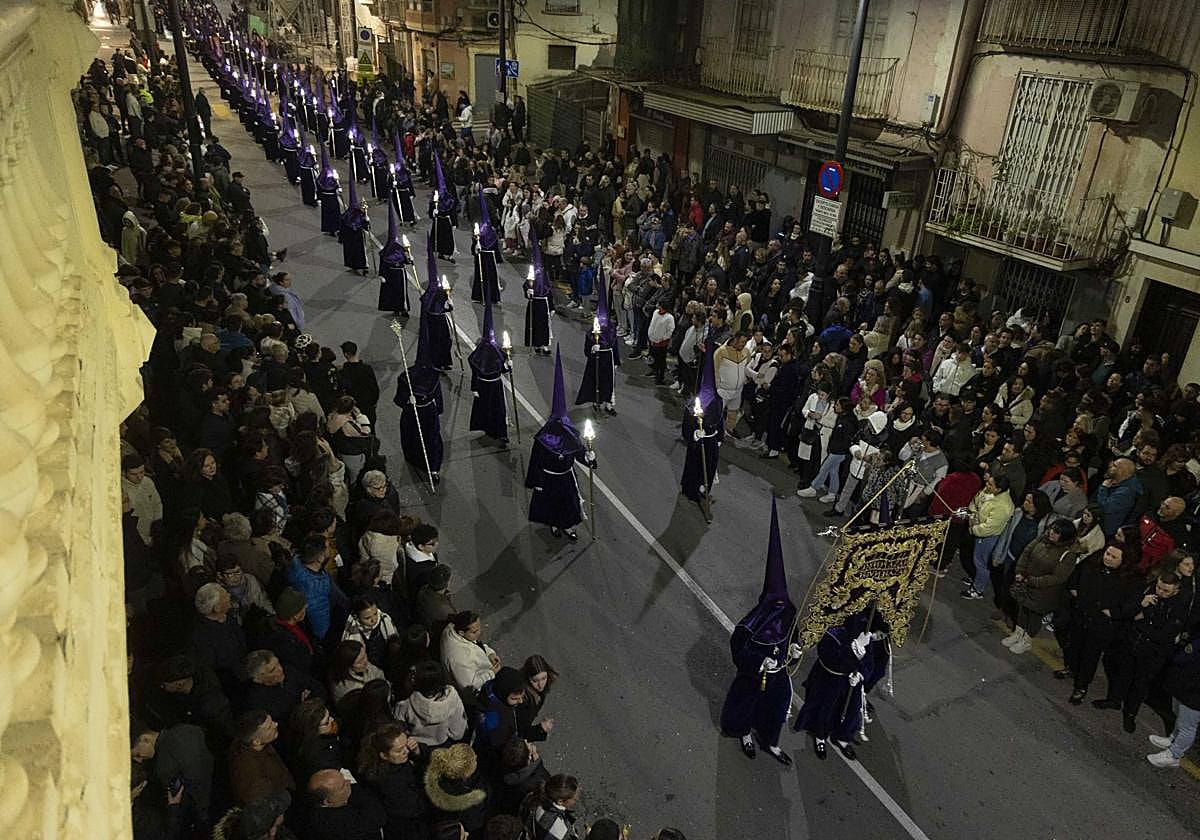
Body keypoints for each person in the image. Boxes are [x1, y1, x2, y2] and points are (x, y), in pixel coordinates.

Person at [719, 500, 800, 766]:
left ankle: (770, 742)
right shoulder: (750, 625)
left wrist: (795, 650)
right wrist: (759, 662)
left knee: (774, 712)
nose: (781, 610)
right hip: (754, 678)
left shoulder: (789, 613)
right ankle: (744, 734)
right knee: (746, 706)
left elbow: (793, 639)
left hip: (778, 678)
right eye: (776, 605)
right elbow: (738, 650)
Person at [1094, 571, 1187, 733]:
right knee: (1123, 674)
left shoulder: (1179, 606)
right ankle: (1114, 700)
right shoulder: (1147, 592)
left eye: (1166, 591)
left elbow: (1164, 635)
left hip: (1153, 653)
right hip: (1132, 644)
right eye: (1159, 588)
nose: (1161, 592)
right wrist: (1141, 606)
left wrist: (1141, 623)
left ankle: (1130, 714)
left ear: (1175, 591)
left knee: (1140, 685)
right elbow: (1130, 612)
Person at [527, 348, 596, 541]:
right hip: (549, 479)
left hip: (566, 477)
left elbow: (579, 452)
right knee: (551, 505)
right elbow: (535, 462)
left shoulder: (570, 435)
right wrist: (536, 483)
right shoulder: (543, 439)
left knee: (569, 504)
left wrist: (590, 458)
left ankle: (568, 526)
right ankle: (555, 525)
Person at [1061, 542, 1137, 705]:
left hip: (1101, 626)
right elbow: (1076, 574)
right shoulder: (1092, 564)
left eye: (1113, 557)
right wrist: (1074, 590)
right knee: (1073, 647)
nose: (1108, 558)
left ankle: (1081, 687)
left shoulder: (1129, 580)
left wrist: (1113, 613)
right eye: (1107, 554)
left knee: (1090, 656)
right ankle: (1071, 669)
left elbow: (1132, 605)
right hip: (1081, 616)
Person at [792, 610, 874, 760]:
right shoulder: (832, 630)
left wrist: (861, 674)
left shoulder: (863, 629)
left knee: (852, 708)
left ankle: (842, 737)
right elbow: (833, 659)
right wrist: (855, 650)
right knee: (824, 709)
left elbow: (869, 660)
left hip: (849, 681)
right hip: (828, 678)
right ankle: (820, 736)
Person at [356, 723, 432, 839]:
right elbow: (413, 808)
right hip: (407, 829)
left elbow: (427, 755)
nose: (406, 751)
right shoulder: (387, 782)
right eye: (399, 750)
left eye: (406, 745)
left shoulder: (398, 760)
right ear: (384, 756)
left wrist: (417, 750)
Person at [680, 344, 722, 513]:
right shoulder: (698, 399)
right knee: (693, 464)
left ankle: (703, 488)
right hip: (699, 440)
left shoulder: (717, 400)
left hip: (710, 439)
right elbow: (689, 418)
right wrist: (694, 431)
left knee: (709, 466)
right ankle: (690, 489)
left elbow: (719, 421)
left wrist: (718, 437)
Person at [467, 281, 510, 445]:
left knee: (499, 410)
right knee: (486, 410)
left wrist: (508, 366)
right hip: (484, 386)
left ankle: (501, 434)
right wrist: (474, 388)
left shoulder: (498, 351)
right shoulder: (478, 356)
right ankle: (487, 429)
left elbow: (502, 369)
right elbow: (475, 373)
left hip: (496, 385)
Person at [575, 264, 620, 415]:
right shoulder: (591, 332)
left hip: (608, 358)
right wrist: (591, 349)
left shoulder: (612, 330)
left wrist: (617, 362)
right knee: (596, 380)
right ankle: (596, 400)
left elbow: (615, 346)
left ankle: (609, 403)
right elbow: (587, 348)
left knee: (609, 382)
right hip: (597, 359)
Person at [394, 660, 468, 746]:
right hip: (442, 746)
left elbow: (398, 726)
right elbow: (457, 733)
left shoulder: (405, 702)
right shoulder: (452, 697)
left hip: (414, 746)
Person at [303, 768, 388, 840]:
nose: (349, 782)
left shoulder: (333, 800)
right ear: (326, 801)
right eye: (343, 786)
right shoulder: (334, 823)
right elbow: (378, 816)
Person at [377, 203, 412, 318]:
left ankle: (403, 308)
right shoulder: (386, 253)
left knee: (402, 292)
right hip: (391, 275)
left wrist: (410, 259)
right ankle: (395, 308)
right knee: (392, 292)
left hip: (400, 274)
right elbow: (383, 265)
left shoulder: (401, 250)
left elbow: (406, 261)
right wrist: (382, 275)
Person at [470, 186, 504, 304]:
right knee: (484, 274)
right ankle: (484, 296)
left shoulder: (476, 200)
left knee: (485, 275)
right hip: (486, 255)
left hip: (487, 256)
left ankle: (487, 296)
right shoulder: (477, 201)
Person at [523, 229, 554, 355]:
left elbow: (549, 290)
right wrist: (528, 291)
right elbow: (526, 286)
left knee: (545, 325)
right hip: (534, 303)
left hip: (543, 303)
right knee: (534, 324)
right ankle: (536, 343)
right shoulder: (532, 273)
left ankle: (544, 344)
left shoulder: (544, 275)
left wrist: (551, 307)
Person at [527, 775, 583, 840]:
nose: (578, 799)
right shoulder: (560, 829)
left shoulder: (538, 798)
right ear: (560, 801)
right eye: (575, 799)